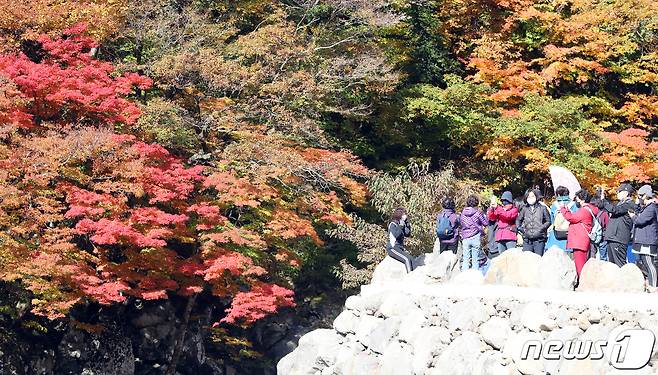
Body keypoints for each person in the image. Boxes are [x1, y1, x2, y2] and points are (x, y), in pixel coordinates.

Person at [560, 189, 599, 279]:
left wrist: (563, 209)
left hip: (579, 241)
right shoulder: (589, 209)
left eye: (577, 199)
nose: (576, 201)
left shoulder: (584, 210)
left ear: (582, 199)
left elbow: (571, 218)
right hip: (583, 240)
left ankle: (582, 282)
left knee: (580, 264)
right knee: (583, 263)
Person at [602, 183, 637, 267]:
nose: (617, 193)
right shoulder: (621, 203)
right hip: (613, 237)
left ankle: (625, 280)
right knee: (612, 265)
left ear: (626, 193)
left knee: (620, 264)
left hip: (619, 238)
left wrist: (604, 200)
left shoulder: (629, 204)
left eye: (619, 191)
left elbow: (614, 210)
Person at [630, 185, 658, 289]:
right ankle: (650, 284)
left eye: (640, 196)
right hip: (643, 239)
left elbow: (639, 220)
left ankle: (653, 286)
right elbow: (638, 213)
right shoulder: (646, 208)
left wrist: (633, 217)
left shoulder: (651, 208)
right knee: (644, 262)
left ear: (645, 196)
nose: (638, 198)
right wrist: (637, 204)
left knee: (649, 263)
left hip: (648, 240)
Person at [516, 189, 551, 256]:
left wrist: (541, 228)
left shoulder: (542, 208)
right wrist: (521, 229)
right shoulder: (524, 209)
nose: (530, 198)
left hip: (539, 239)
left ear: (536, 197)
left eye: (532, 196)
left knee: (538, 260)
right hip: (527, 240)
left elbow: (548, 221)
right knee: (527, 260)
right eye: (528, 197)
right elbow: (518, 220)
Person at [460, 194, 487, 271]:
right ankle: (475, 277)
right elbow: (485, 223)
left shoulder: (463, 213)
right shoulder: (478, 213)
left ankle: (464, 276)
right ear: (476, 203)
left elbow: (461, 223)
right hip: (475, 236)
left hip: (465, 237)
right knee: (475, 258)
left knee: (466, 258)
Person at [487, 191, 519, 255]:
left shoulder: (514, 209)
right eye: (503, 200)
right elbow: (492, 217)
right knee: (502, 258)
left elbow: (507, 216)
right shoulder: (500, 209)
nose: (504, 202)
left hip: (510, 235)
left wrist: (497, 208)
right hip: (500, 236)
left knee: (511, 257)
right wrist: (492, 209)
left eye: (505, 200)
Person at [546, 186, 576, 252]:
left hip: (555, 237)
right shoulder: (573, 205)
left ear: (558, 194)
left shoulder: (555, 205)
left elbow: (552, 220)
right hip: (570, 237)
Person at [386, 207, 413, 273]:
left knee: (411, 258)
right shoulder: (392, 224)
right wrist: (401, 226)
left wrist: (406, 223)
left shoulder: (401, 224)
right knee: (407, 259)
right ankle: (410, 276)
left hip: (400, 248)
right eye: (403, 214)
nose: (405, 216)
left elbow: (407, 234)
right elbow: (396, 235)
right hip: (392, 248)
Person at [590, 196, 609, 261]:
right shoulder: (604, 213)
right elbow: (607, 225)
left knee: (592, 255)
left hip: (592, 236)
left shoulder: (590, 212)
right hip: (603, 236)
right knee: (603, 256)